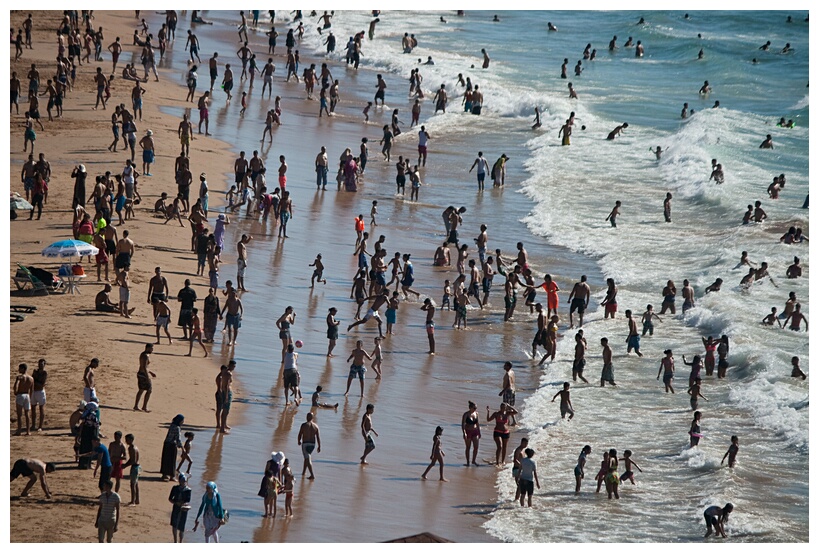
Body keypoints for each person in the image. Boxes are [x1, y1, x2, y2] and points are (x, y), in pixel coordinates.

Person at [168, 472, 192, 542]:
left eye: (184, 481)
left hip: (183, 509)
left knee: (181, 527)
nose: (183, 482)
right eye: (182, 481)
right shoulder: (175, 488)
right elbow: (170, 498)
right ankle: (175, 541)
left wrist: (184, 505)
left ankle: (180, 541)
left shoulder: (188, 490)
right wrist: (176, 503)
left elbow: (188, 500)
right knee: (174, 525)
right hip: (176, 508)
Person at [297, 413, 321, 479]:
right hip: (312, 444)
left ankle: (312, 475)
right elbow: (318, 437)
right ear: (312, 418)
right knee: (306, 457)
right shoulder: (316, 426)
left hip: (305, 444)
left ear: (307, 417)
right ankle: (304, 472)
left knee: (308, 459)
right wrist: (319, 446)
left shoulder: (304, 425)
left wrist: (299, 441)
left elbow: (300, 434)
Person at [161, 414, 184, 482]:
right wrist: (182, 448)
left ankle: (164, 474)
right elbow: (178, 439)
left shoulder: (172, 425)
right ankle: (172, 476)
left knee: (166, 460)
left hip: (166, 444)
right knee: (172, 461)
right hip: (172, 445)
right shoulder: (177, 428)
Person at [13, 363, 33, 436]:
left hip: (20, 395)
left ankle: (19, 431)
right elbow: (32, 390)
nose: (19, 370)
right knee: (27, 414)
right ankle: (28, 431)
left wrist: (15, 392)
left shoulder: (20, 377)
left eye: (20, 368)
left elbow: (16, 385)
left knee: (19, 414)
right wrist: (30, 398)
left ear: (23, 369)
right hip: (27, 395)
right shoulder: (31, 378)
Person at [121, 433, 140, 505]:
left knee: (132, 484)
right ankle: (137, 499)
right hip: (137, 467)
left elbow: (133, 460)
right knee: (136, 484)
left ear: (131, 440)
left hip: (135, 467)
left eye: (127, 440)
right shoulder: (135, 447)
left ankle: (133, 501)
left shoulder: (131, 448)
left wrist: (125, 465)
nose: (126, 441)